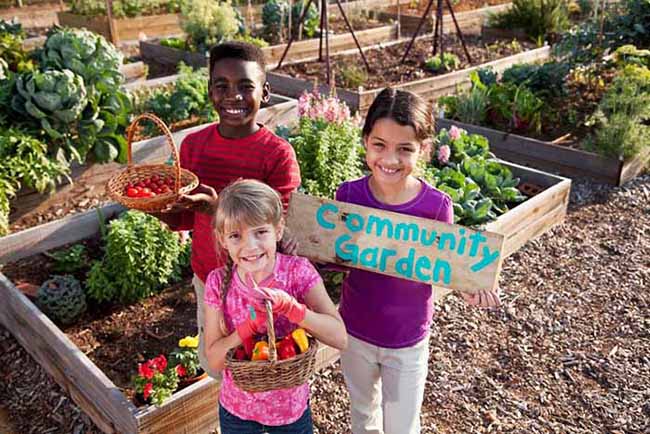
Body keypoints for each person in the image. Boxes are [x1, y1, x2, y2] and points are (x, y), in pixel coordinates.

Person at [335, 88, 501, 434]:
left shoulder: (435, 207)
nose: (390, 159)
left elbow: (445, 265)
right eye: (379, 145)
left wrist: (469, 287)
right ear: (365, 142)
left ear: (423, 150)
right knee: (362, 417)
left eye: (404, 149)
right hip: (355, 331)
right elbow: (336, 256)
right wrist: (304, 249)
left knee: (401, 426)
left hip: (407, 339)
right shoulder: (349, 195)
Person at [152, 41, 301, 378]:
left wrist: (216, 208)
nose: (233, 96)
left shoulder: (276, 154)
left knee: (264, 363)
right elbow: (183, 219)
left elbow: (277, 229)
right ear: (210, 92)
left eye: (245, 86)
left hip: (261, 284)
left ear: (265, 92)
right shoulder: (193, 147)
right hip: (209, 279)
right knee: (219, 364)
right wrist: (159, 208)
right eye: (222, 86)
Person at [203, 179, 347, 433]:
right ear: (222, 239)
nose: (250, 246)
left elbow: (339, 337)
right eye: (236, 236)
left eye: (261, 232)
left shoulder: (297, 272)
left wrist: (293, 309)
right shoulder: (217, 283)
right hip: (237, 411)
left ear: (279, 230)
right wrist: (247, 328)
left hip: (290, 411)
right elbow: (214, 360)